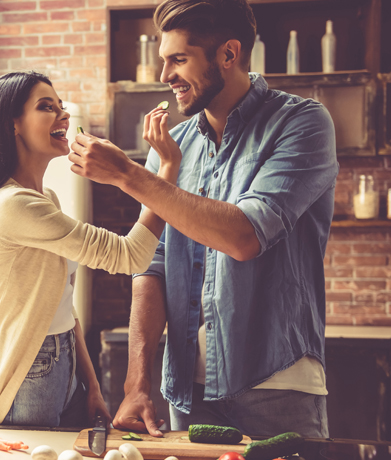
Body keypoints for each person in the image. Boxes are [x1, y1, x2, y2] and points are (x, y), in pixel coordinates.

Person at [68, 0, 338, 438]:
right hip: (188, 391)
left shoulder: (302, 124)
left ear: (228, 54)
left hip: (277, 382)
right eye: (163, 60)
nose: (164, 76)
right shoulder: (174, 146)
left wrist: (127, 174)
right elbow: (151, 266)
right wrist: (138, 380)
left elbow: (244, 235)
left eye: (178, 59)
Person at [0, 71, 181, 426]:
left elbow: (61, 303)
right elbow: (131, 255)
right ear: (12, 124)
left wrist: (89, 384)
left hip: (60, 359)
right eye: (47, 107)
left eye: (61, 106)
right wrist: (166, 169)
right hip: (29, 366)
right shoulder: (14, 205)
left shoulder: (45, 199)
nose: (63, 115)